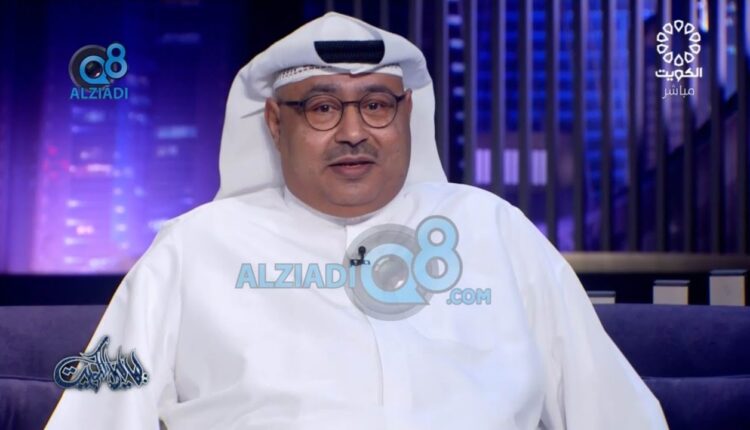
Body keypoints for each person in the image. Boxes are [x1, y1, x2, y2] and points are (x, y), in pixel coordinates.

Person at [47, 12, 668, 430]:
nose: (352, 132)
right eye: (321, 107)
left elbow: (613, 411)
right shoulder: (193, 248)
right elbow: (96, 414)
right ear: (275, 123)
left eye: (375, 105)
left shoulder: (495, 231)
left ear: (406, 114)